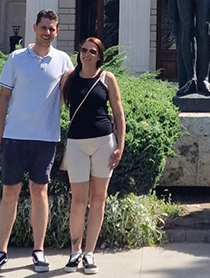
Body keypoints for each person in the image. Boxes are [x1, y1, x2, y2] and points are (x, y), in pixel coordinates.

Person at [0, 10, 74, 275]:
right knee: (9, 193)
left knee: (39, 192)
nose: (47, 32)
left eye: (52, 29)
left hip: (45, 138)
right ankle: (0, 252)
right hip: (14, 137)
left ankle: (38, 251)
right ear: (35, 28)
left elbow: (69, 94)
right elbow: (3, 100)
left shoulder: (63, 61)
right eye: (43, 27)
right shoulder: (16, 59)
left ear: (57, 32)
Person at [59, 37, 126, 275]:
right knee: (78, 201)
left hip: (103, 143)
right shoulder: (69, 78)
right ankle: (74, 251)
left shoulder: (107, 78)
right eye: (83, 50)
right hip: (76, 143)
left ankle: (89, 253)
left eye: (92, 51)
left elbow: (119, 113)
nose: (86, 54)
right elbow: (55, 106)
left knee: (98, 199)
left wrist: (120, 145)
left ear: (99, 55)